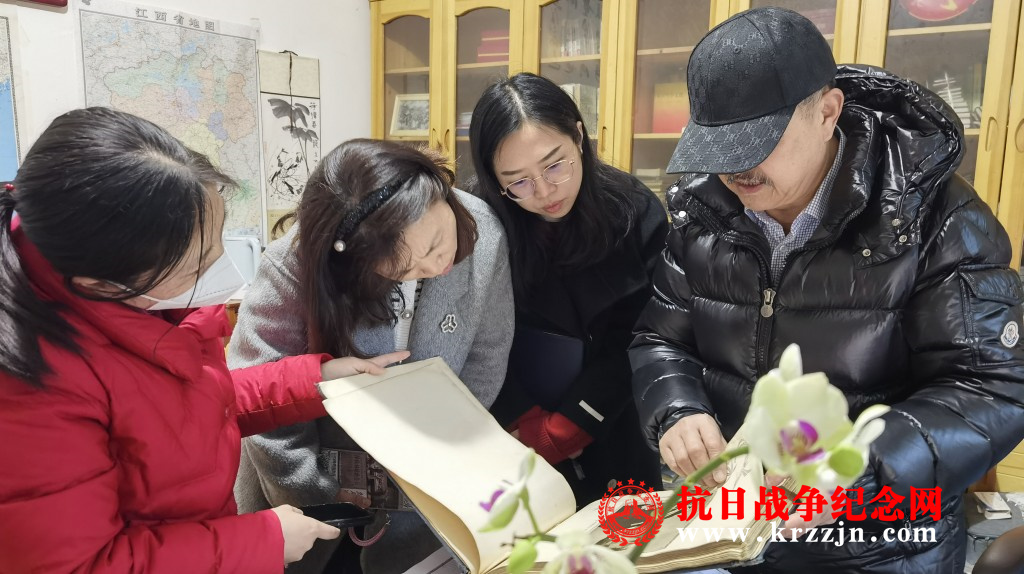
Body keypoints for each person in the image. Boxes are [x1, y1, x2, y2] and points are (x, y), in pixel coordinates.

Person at [629, 7, 1024, 573]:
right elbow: (660, 338)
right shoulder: (703, 213)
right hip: (734, 527)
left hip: (880, 542)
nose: (734, 170)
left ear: (827, 112)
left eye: (756, 142)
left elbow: (991, 385)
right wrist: (677, 409)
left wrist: (857, 467)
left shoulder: (934, 216)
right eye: (717, 148)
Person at [0, 107, 409, 572]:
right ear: (102, 284)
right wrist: (262, 541)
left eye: (219, 246)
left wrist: (316, 378)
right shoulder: (30, 394)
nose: (226, 276)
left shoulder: (147, 301)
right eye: (197, 265)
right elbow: (79, 565)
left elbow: (194, 404)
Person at [230, 139, 514, 574]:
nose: (437, 265)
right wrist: (312, 491)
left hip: (424, 482)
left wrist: (443, 452)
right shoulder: (298, 261)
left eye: (438, 242)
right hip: (304, 488)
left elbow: (487, 355)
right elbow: (259, 385)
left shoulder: (482, 227)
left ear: (440, 187)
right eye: (406, 269)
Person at [469, 72, 668, 506]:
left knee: (623, 535)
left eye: (554, 165)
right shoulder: (478, 223)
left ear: (578, 136)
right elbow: (474, 337)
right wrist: (520, 416)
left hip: (613, 415)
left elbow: (647, 331)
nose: (544, 192)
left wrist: (573, 424)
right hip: (510, 431)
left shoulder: (632, 210)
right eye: (517, 181)